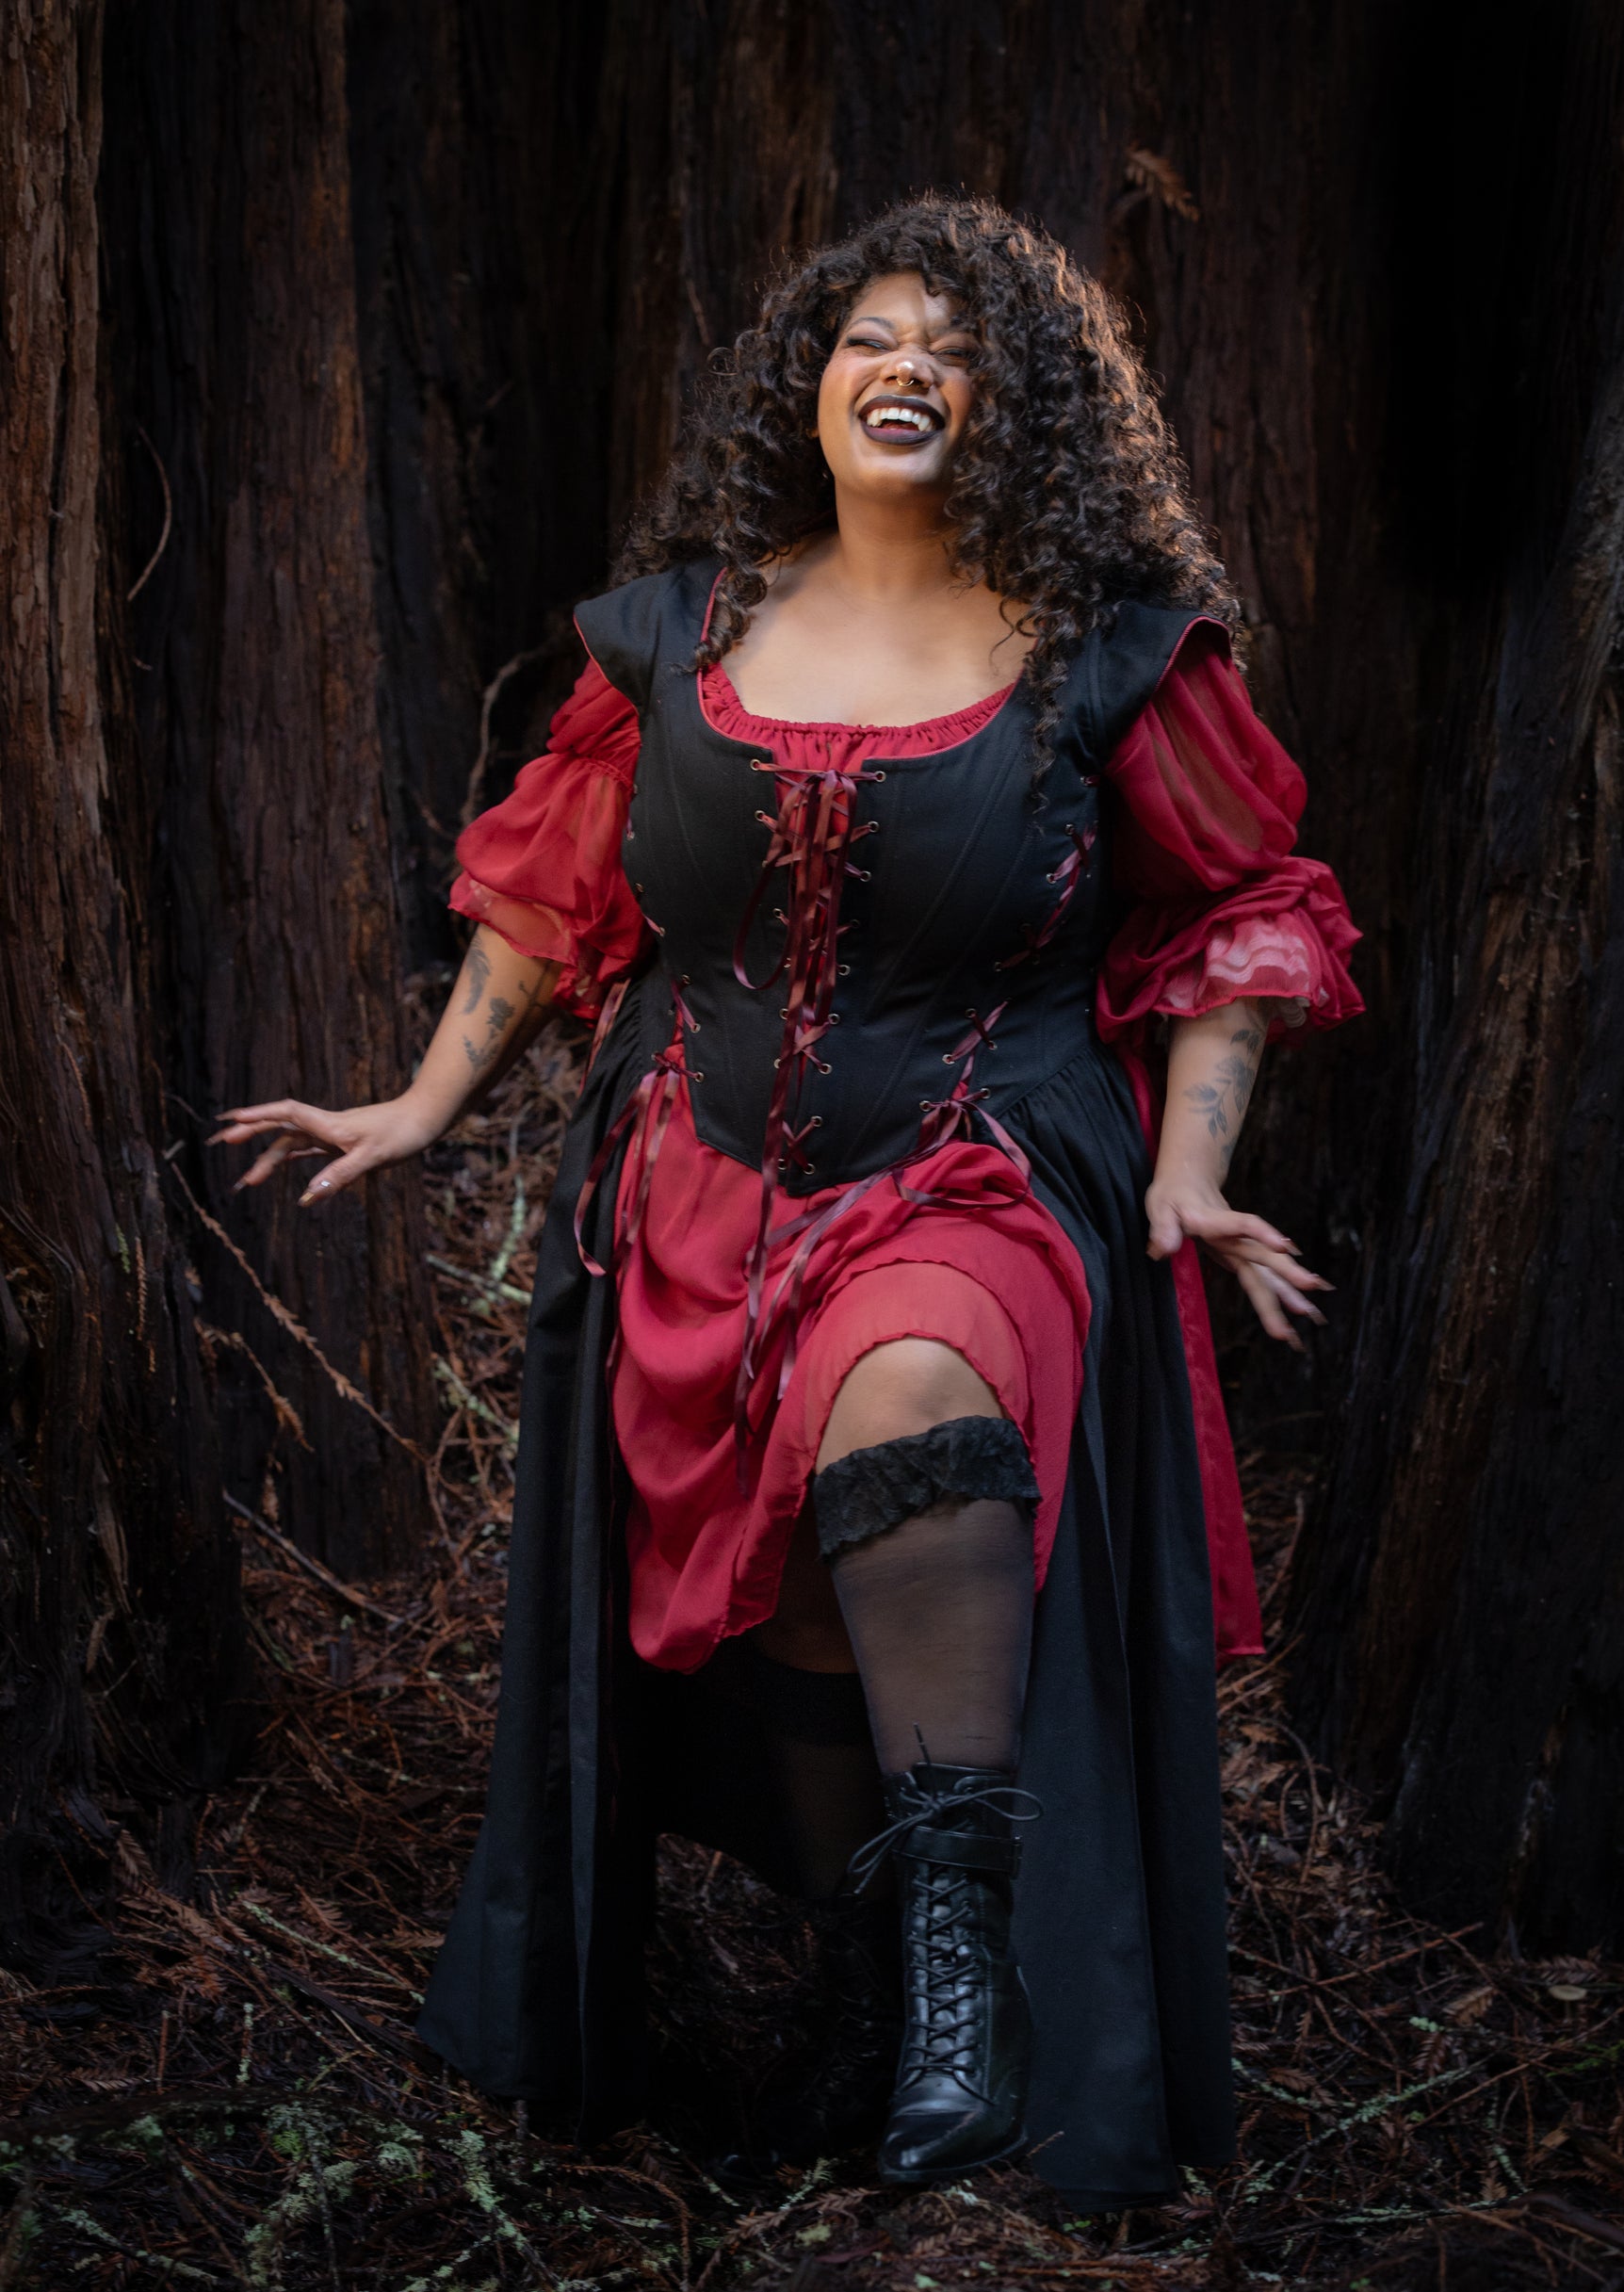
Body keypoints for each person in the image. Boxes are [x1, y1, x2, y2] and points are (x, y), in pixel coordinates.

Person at [215, 196, 1361, 2206]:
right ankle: (859, 1969)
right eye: (869, 338)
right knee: (817, 1595)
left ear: (1022, 411)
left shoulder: (1101, 660)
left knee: (917, 1406)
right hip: (696, 1182)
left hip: (982, 1153)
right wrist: (419, 1098)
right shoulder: (679, 629)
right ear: (809, 385)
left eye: (956, 348)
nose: (906, 368)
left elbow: (1241, 911)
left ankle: (959, 1995)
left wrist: (1187, 1172)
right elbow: (550, 888)